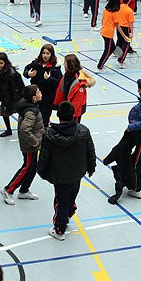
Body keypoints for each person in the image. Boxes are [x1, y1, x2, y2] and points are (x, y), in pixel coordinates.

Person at [37, 101, 96, 241]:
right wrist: (91, 167)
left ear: (58, 115)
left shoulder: (49, 134)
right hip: (77, 172)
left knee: (61, 201)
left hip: (59, 175)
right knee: (71, 195)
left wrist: (41, 171)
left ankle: (59, 229)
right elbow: (90, 150)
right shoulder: (83, 130)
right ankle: (68, 213)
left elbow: (44, 156)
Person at [1, 85, 44, 205]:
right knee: (27, 168)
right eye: (38, 92)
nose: (41, 93)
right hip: (30, 146)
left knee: (32, 167)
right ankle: (8, 190)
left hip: (32, 145)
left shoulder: (29, 105)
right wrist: (35, 141)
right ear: (34, 98)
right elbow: (25, 129)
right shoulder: (31, 112)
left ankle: (24, 190)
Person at [24, 44, 61, 125]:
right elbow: (26, 69)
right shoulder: (36, 63)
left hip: (47, 97)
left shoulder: (55, 67)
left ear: (51, 55)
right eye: (43, 53)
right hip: (35, 95)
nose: (45, 55)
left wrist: (50, 79)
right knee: (33, 115)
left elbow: (59, 82)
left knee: (44, 117)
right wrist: (28, 74)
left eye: (48, 53)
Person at [0, 53, 24, 137]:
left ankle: (22, 129)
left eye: (1, 63)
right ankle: (9, 130)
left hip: (13, 98)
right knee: (4, 114)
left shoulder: (11, 74)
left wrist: (15, 100)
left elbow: (15, 88)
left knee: (21, 113)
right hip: (5, 97)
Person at [54, 54, 95, 121]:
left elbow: (77, 101)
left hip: (73, 112)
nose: (64, 64)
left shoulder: (79, 80)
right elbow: (61, 90)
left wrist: (72, 114)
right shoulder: (67, 75)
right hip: (66, 107)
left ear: (70, 65)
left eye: (65, 63)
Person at [96, 0, 122, 71]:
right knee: (107, 51)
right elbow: (118, 26)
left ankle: (119, 59)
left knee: (112, 48)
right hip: (108, 33)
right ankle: (100, 66)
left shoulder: (106, 9)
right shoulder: (115, 13)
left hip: (103, 31)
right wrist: (124, 36)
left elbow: (102, 19)